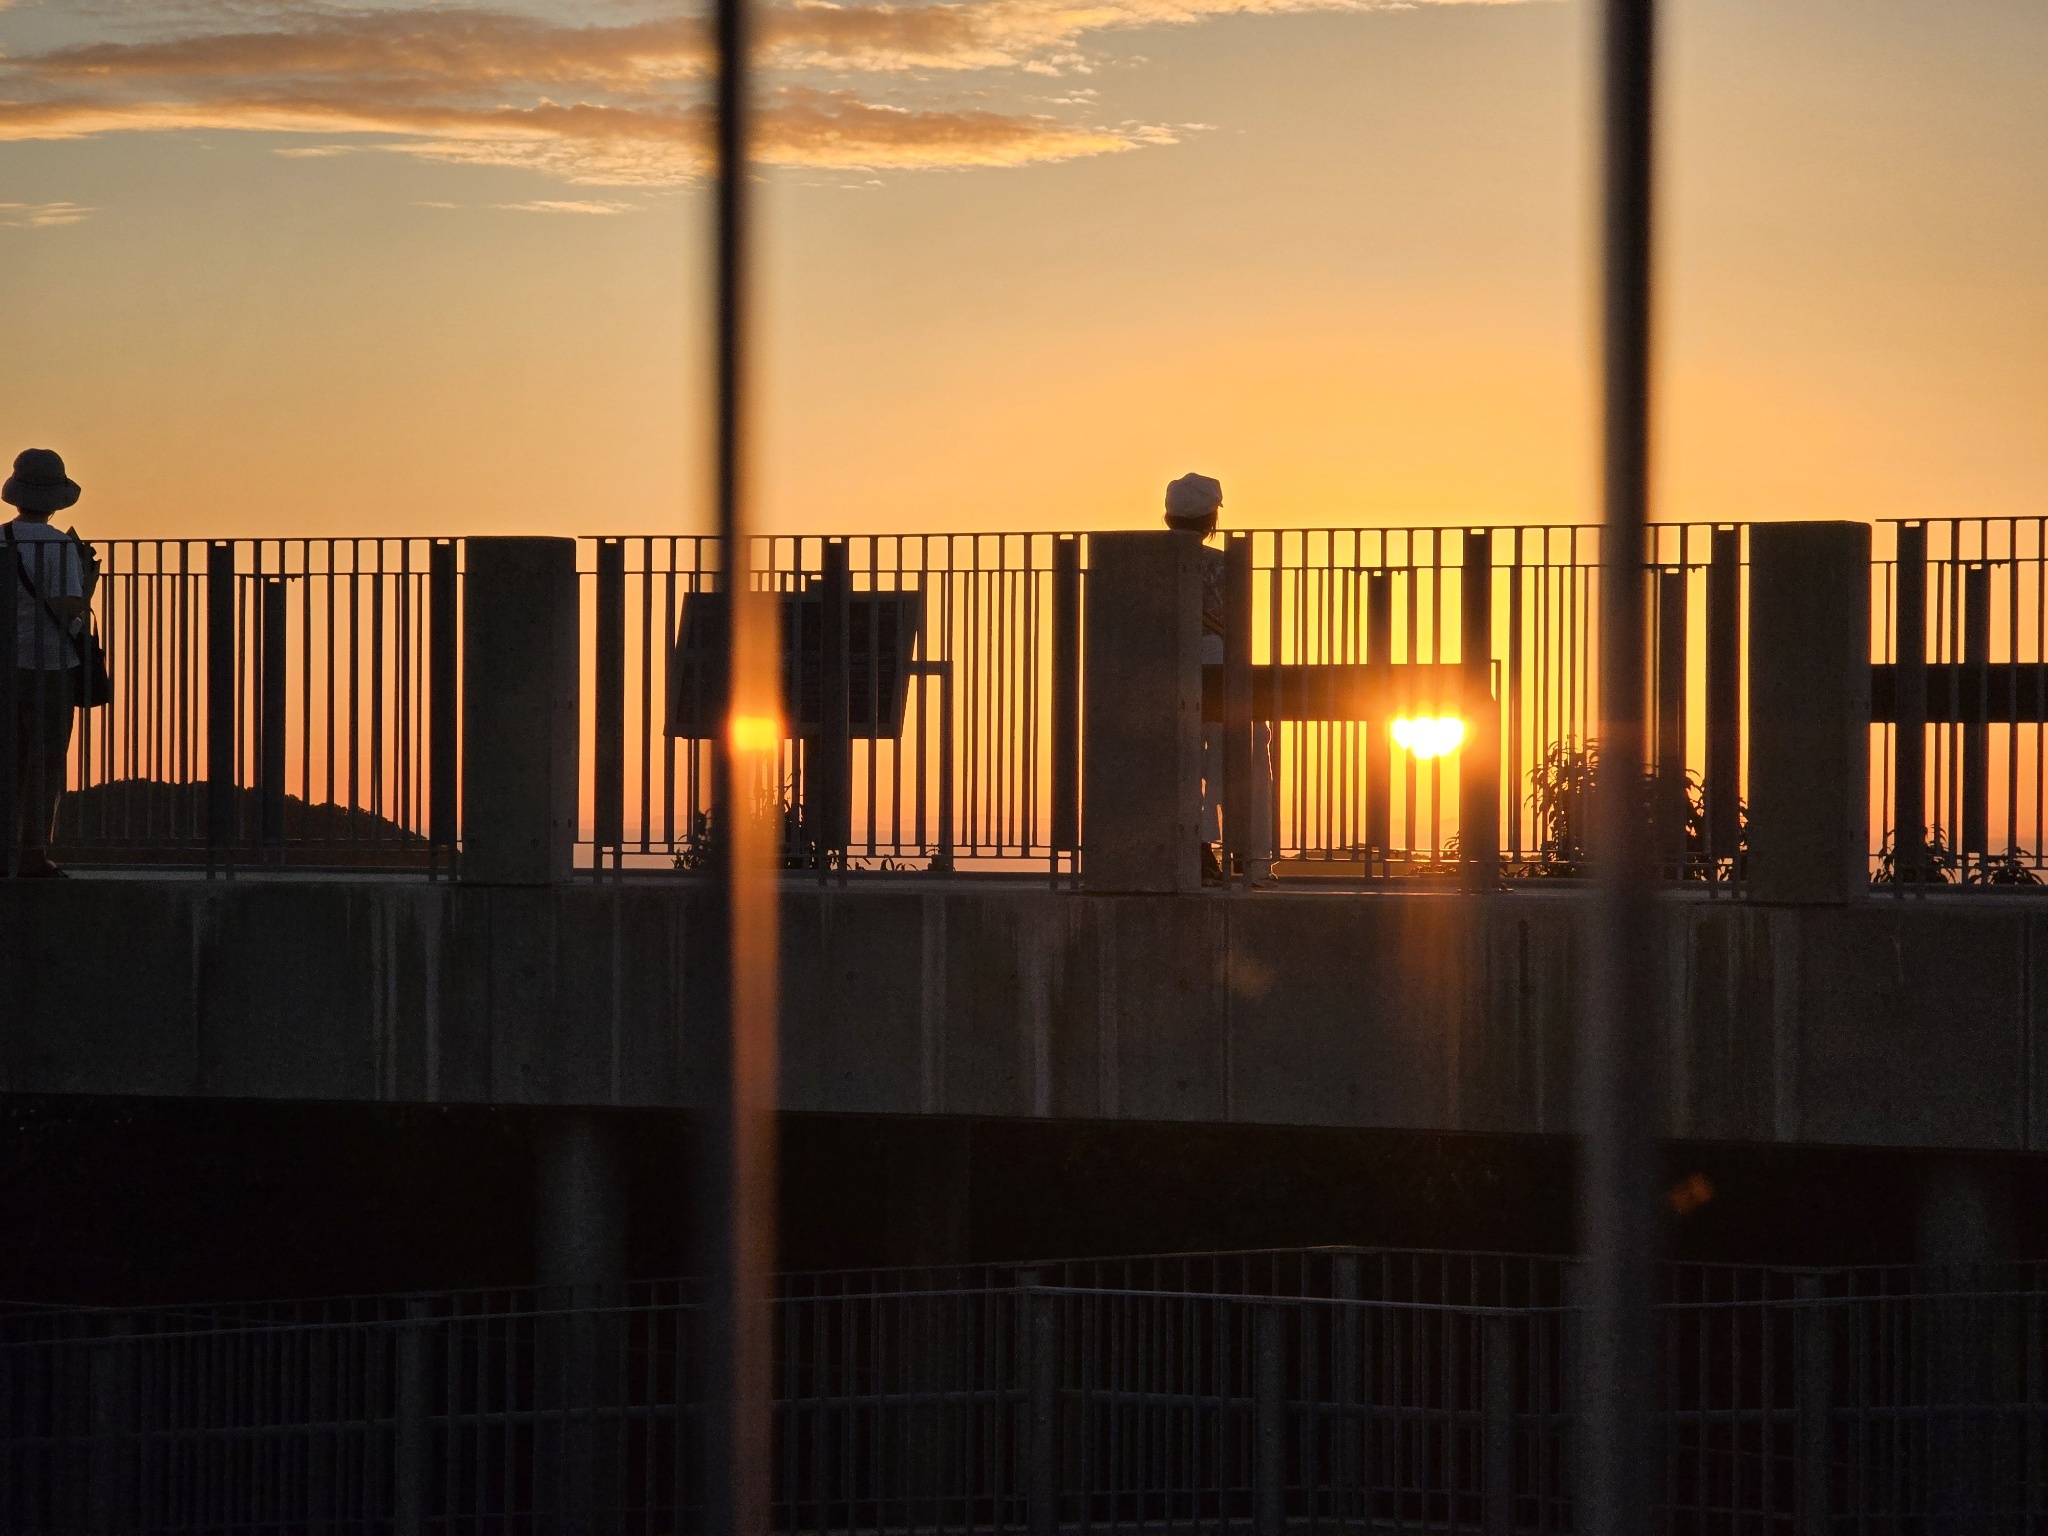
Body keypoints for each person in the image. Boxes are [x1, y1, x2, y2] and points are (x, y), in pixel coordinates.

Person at [1163, 472, 1272, 884]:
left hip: (1164, 670)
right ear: (1212, 519)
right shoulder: (1224, 566)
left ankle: (1197, 850)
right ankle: (1251, 857)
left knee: (1183, 759)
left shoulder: (1148, 564)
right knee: (1246, 754)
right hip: (1220, 666)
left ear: (1169, 517)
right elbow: (1236, 628)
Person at [5, 448, 89, 878]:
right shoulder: (61, 547)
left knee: (8, 758)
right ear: (56, 500)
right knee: (47, 758)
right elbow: (70, 605)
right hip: (53, 665)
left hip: (6, 666)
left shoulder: (2, 540)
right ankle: (34, 851)